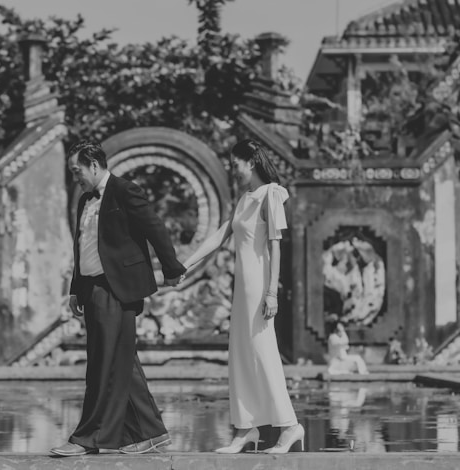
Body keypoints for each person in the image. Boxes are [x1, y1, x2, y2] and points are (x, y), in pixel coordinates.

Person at [50, 140, 186, 457]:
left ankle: (88, 438)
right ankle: (152, 432)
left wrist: (171, 267)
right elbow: (83, 246)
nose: (76, 177)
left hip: (116, 288)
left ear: (94, 165)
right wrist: (75, 288)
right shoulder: (86, 200)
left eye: (77, 171)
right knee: (120, 360)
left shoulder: (124, 190)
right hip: (93, 287)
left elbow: (155, 226)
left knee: (104, 362)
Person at [182, 139, 304, 454]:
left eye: (235, 164)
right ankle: (245, 429)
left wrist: (272, 292)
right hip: (242, 291)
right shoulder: (243, 199)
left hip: (261, 288)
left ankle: (290, 426)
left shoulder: (270, 195)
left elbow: (276, 245)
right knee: (240, 356)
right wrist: (184, 265)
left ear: (250, 162)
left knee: (264, 355)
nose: (232, 170)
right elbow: (220, 235)